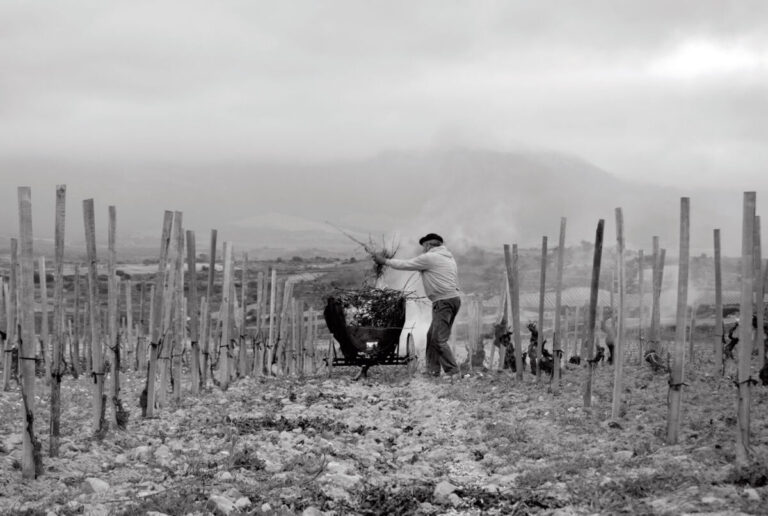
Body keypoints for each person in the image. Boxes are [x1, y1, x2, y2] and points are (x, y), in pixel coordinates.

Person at [373, 233, 461, 377]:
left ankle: (454, 372)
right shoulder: (448, 257)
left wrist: (385, 261)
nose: (423, 250)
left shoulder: (430, 257)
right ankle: (433, 371)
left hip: (443, 301)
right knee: (431, 336)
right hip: (451, 299)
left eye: (423, 247)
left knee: (439, 339)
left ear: (428, 245)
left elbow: (406, 264)